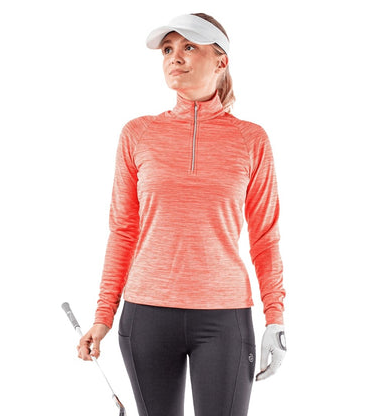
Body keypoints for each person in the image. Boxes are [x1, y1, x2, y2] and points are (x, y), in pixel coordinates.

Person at [77, 12, 287, 416]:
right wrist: (103, 316)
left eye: (189, 46)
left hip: (225, 318)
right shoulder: (138, 134)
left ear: (221, 61)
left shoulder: (251, 139)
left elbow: (265, 236)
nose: (175, 57)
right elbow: (123, 230)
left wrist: (275, 319)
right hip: (146, 316)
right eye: (168, 49)